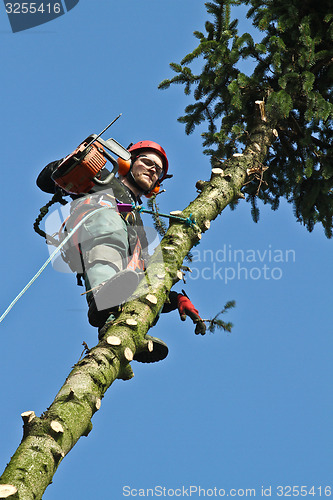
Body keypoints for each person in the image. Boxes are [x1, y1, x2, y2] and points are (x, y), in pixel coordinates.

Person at [37, 140, 206, 362]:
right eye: (147, 162)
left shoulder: (137, 227)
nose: (153, 170)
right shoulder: (102, 179)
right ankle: (104, 296)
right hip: (94, 229)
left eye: (158, 170)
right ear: (127, 163)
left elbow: (143, 275)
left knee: (141, 267)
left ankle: (128, 332)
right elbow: (45, 180)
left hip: (119, 262)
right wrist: (76, 160)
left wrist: (174, 299)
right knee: (111, 221)